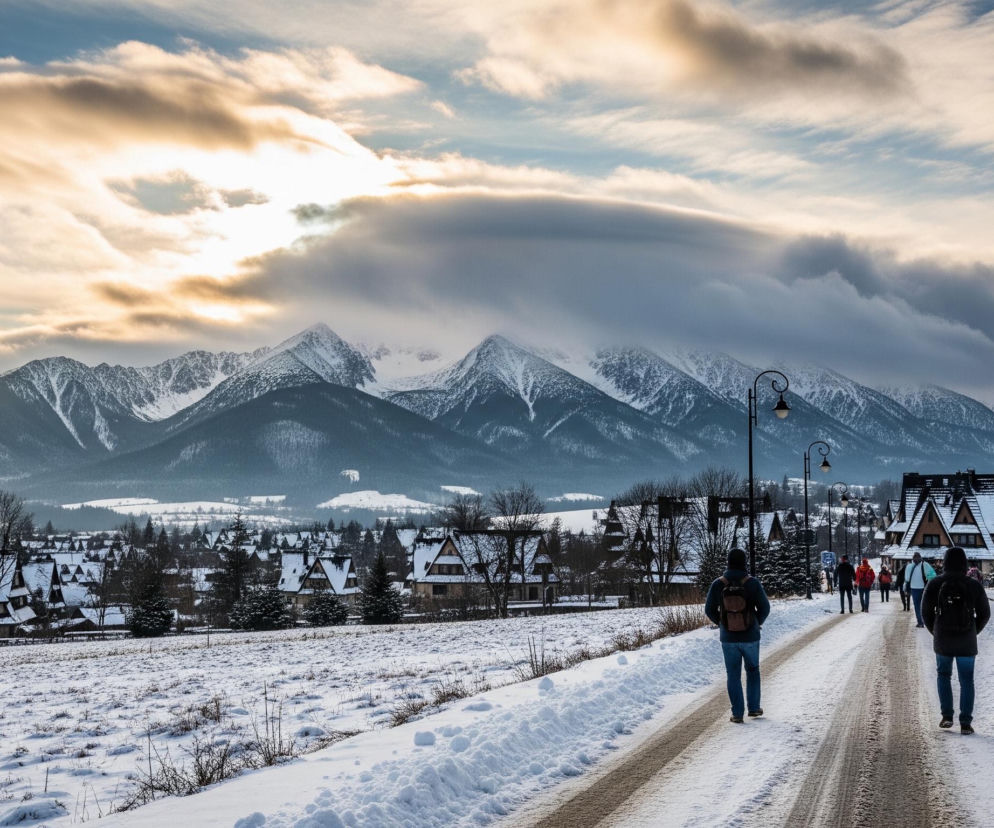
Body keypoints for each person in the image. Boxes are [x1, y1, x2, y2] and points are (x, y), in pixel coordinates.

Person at [922, 546, 990, 734]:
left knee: (944, 675)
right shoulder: (973, 585)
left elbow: (925, 611)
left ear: (945, 562)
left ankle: (947, 716)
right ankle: (966, 722)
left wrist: (935, 631)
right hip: (966, 640)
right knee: (966, 680)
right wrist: (973, 631)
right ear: (964, 562)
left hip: (943, 639)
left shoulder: (935, 583)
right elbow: (985, 613)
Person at [704, 547, 771, 724]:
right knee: (753, 670)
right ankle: (754, 708)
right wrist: (756, 623)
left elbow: (708, 609)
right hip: (750, 636)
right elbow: (765, 608)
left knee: (732, 674)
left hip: (728, 638)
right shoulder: (752, 583)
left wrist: (722, 624)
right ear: (744, 562)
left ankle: (737, 713)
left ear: (728, 562)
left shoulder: (718, 583)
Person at [904, 552, 937, 628]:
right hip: (923, 587)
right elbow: (933, 575)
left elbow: (907, 579)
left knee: (917, 606)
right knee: (924, 605)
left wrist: (905, 587)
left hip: (914, 588)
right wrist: (928, 581)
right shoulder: (925, 564)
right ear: (920, 557)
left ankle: (920, 622)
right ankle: (926, 621)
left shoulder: (909, 566)